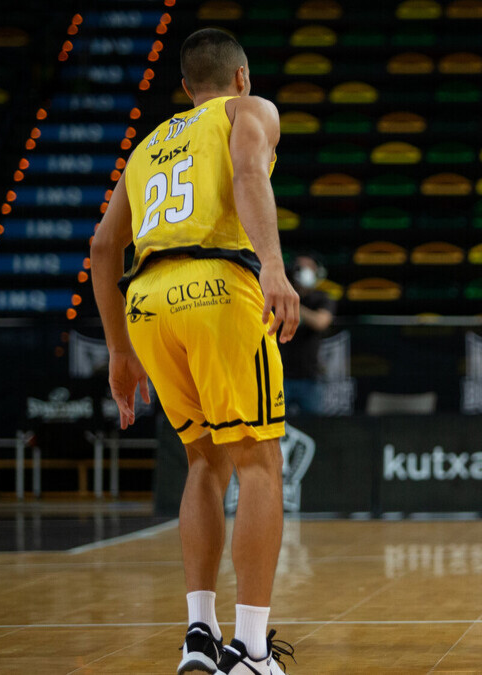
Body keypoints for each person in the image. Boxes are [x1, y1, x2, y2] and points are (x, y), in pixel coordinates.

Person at [90, 28, 298, 675]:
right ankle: (253, 650)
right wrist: (273, 265)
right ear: (241, 78)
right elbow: (244, 172)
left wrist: (119, 351)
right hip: (216, 285)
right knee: (260, 462)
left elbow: (102, 247)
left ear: (186, 88)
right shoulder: (249, 111)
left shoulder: (148, 146)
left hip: (146, 301)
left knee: (203, 460)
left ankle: (199, 635)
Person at [281, 254, 336, 416]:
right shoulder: (279, 296)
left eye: (310, 267)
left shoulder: (321, 298)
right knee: (276, 427)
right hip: (281, 376)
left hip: (310, 378)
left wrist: (293, 304)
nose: (306, 271)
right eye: (301, 267)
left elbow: (321, 322)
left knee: (316, 428)